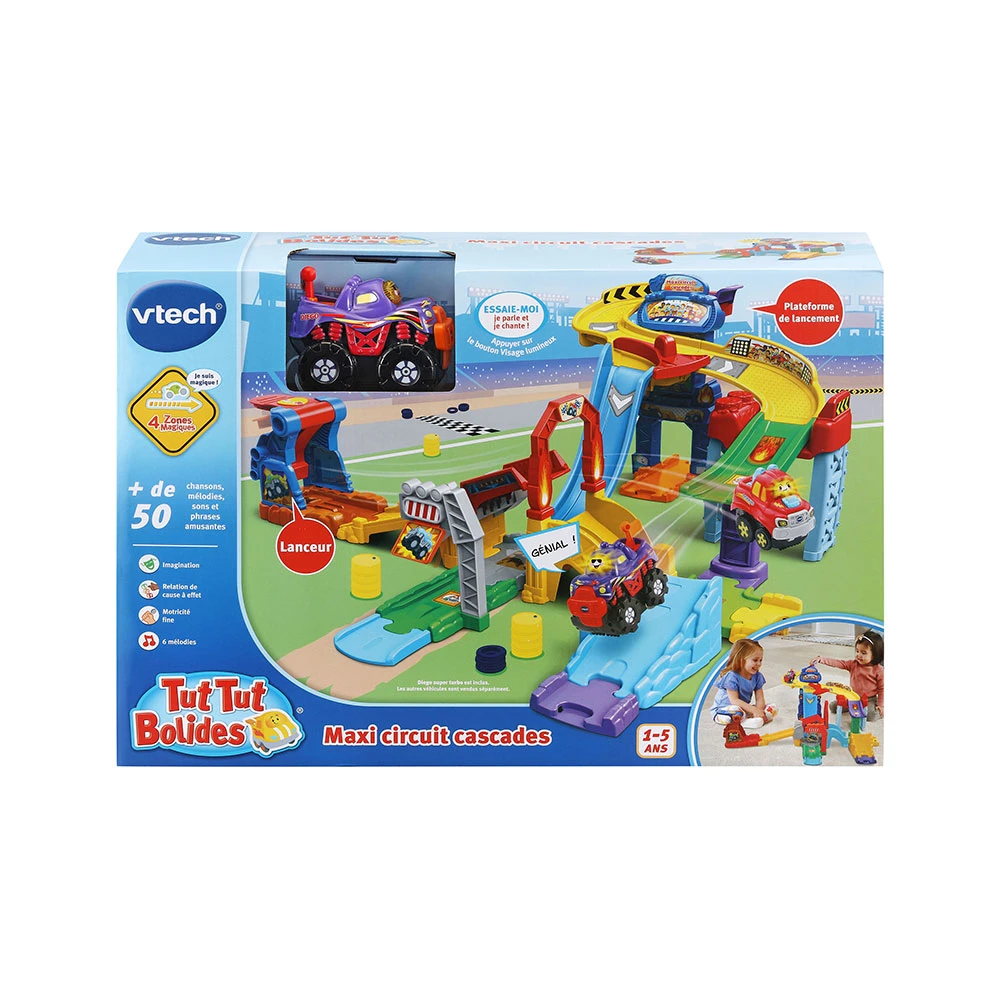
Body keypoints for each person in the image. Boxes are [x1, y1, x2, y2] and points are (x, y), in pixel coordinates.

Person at [811, 629, 884, 720]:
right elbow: (838, 663)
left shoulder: (879, 670)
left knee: (871, 716)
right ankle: (854, 707)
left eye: (863, 653)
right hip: (852, 696)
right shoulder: (853, 664)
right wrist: (821, 659)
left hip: (869, 699)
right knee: (833, 707)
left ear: (875, 654)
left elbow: (882, 689)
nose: (859, 655)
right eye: (857, 651)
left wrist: (881, 705)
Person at [710, 638, 777, 729]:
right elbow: (734, 701)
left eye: (761, 660)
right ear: (741, 660)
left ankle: (751, 719)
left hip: (743, 709)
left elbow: (760, 698)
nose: (759, 663)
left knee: (772, 707)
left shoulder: (757, 676)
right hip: (724, 709)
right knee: (736, 710)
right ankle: (742, 722)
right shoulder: (732, 676)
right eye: (755, 660)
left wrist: (759, 712)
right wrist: (753, 710)